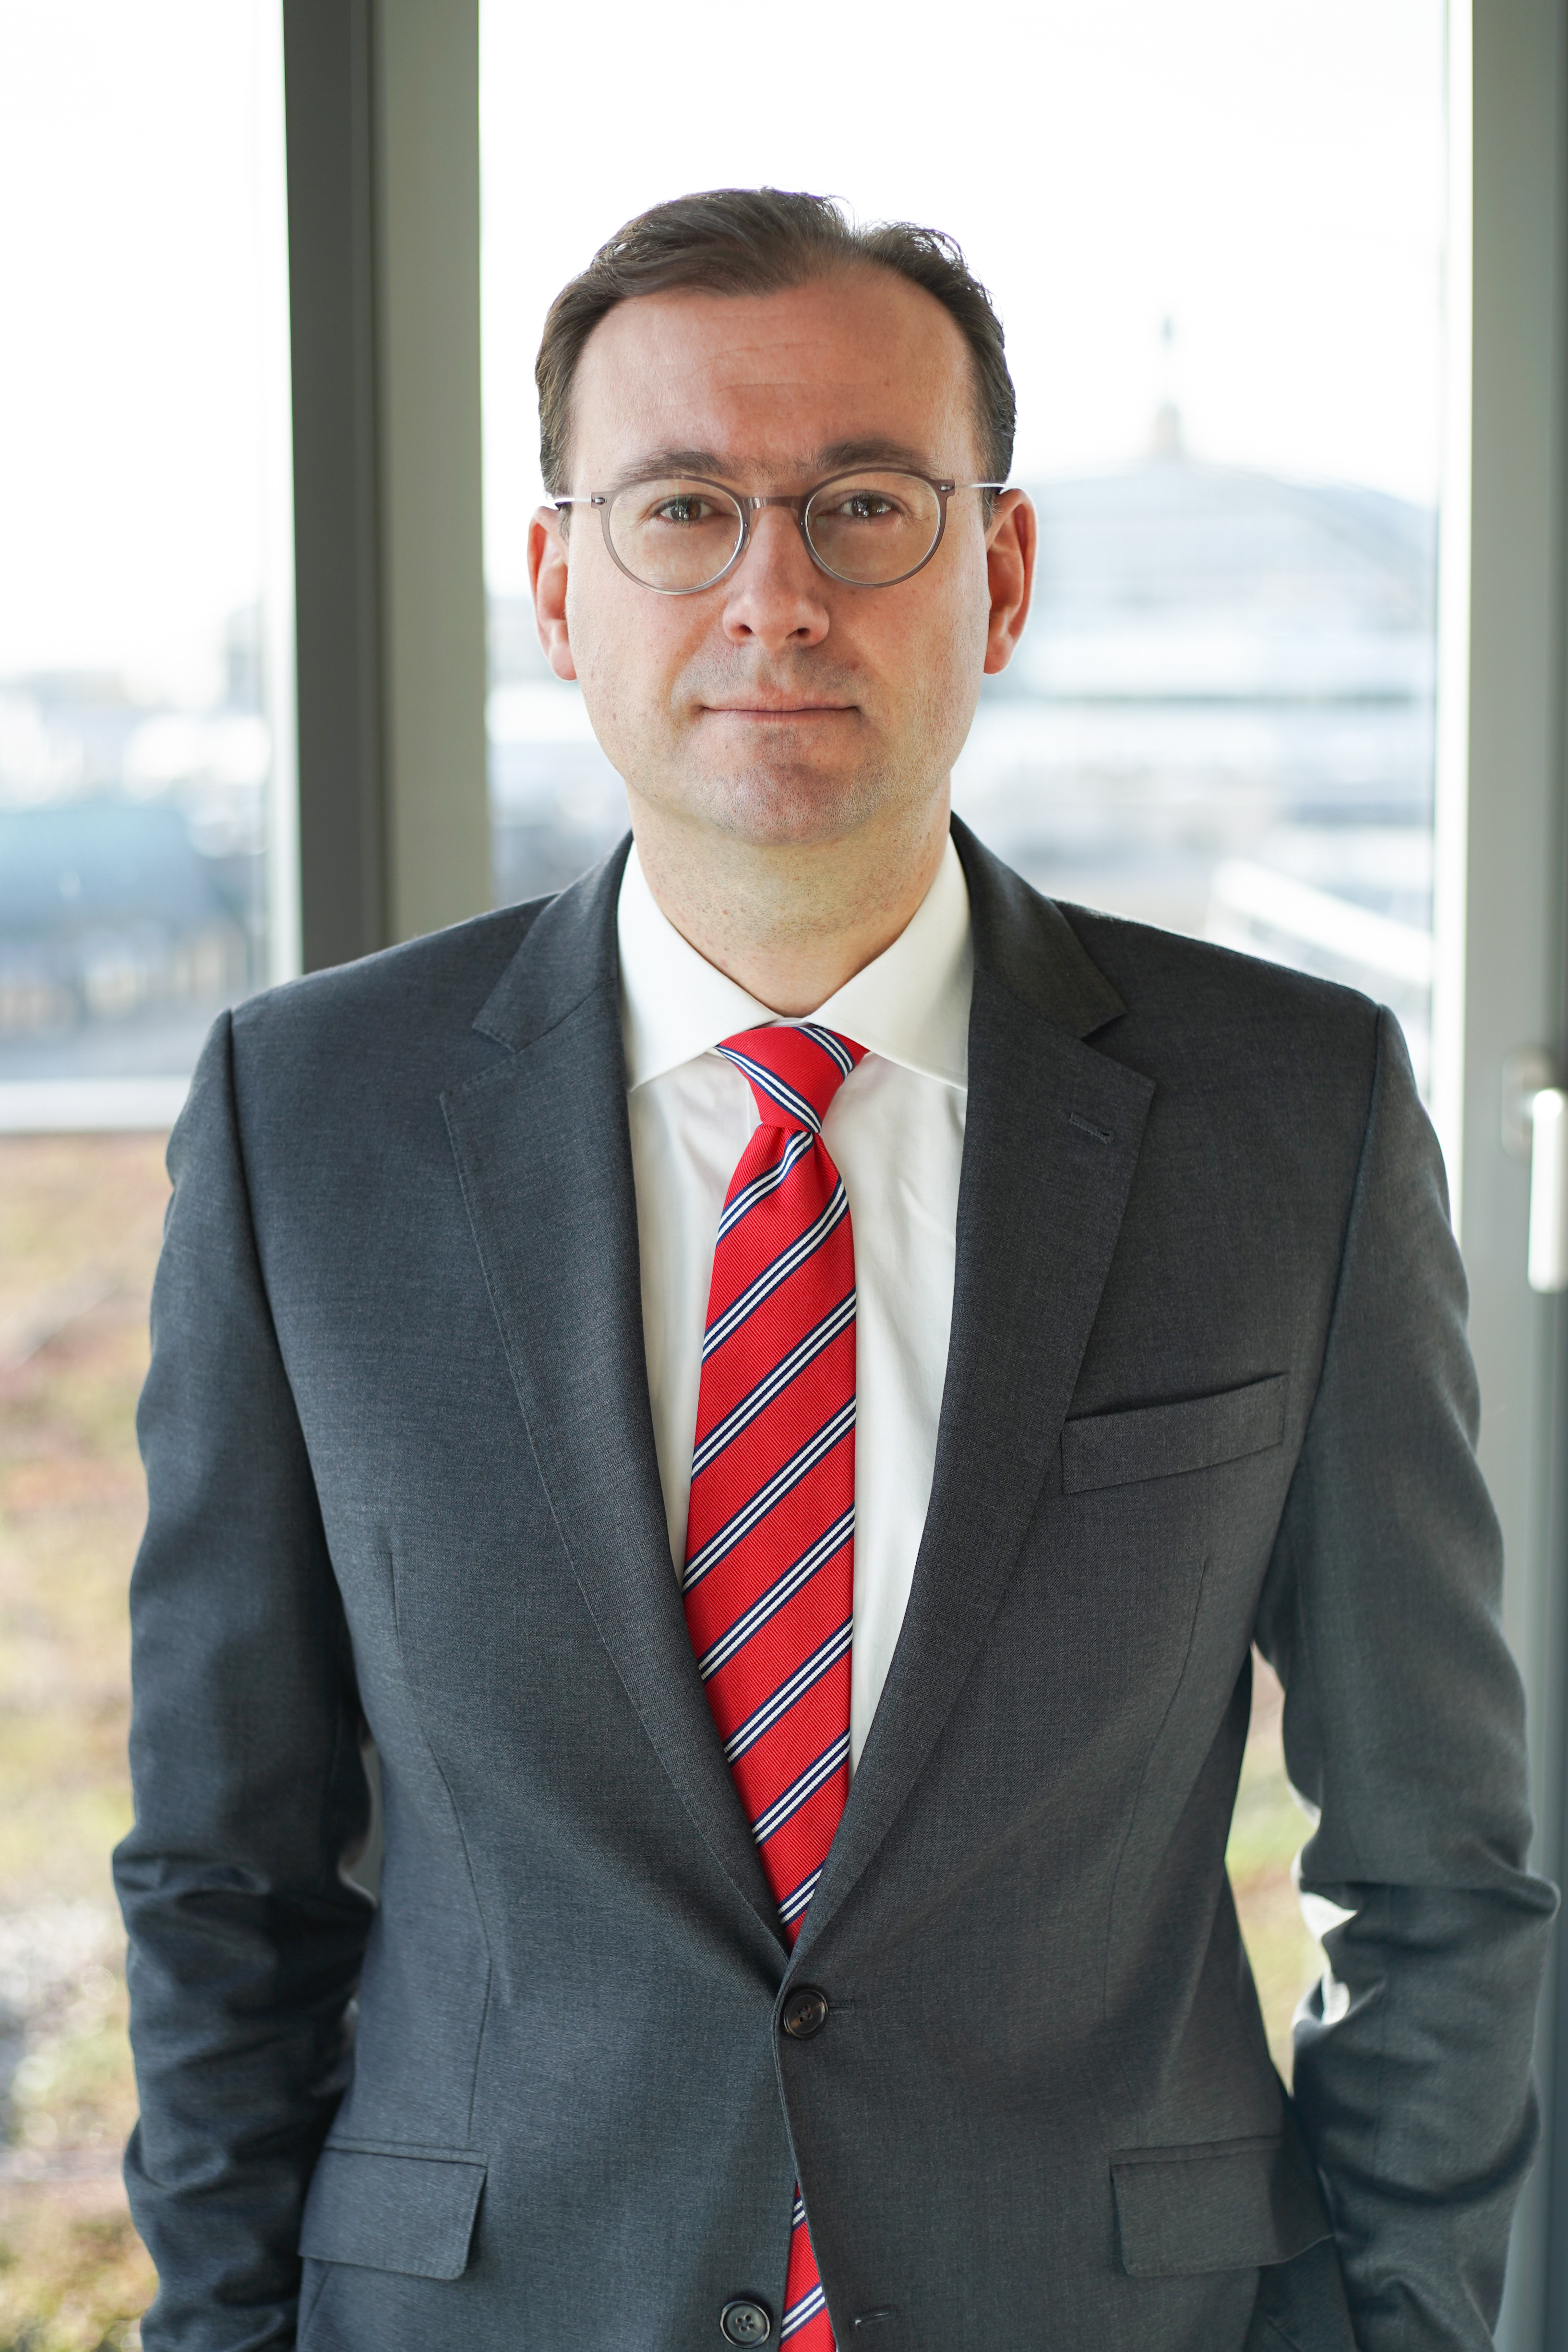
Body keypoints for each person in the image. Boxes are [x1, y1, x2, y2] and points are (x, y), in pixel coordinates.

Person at [116, 188, 1553, 2352]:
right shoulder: (302, 1119)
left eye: (864, 505)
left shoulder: (1291, 1111)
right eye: (681, 507)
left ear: (1001, 571)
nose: (773, 594)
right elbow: (224, 1878)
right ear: (558, 586)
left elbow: (1434, 1861)